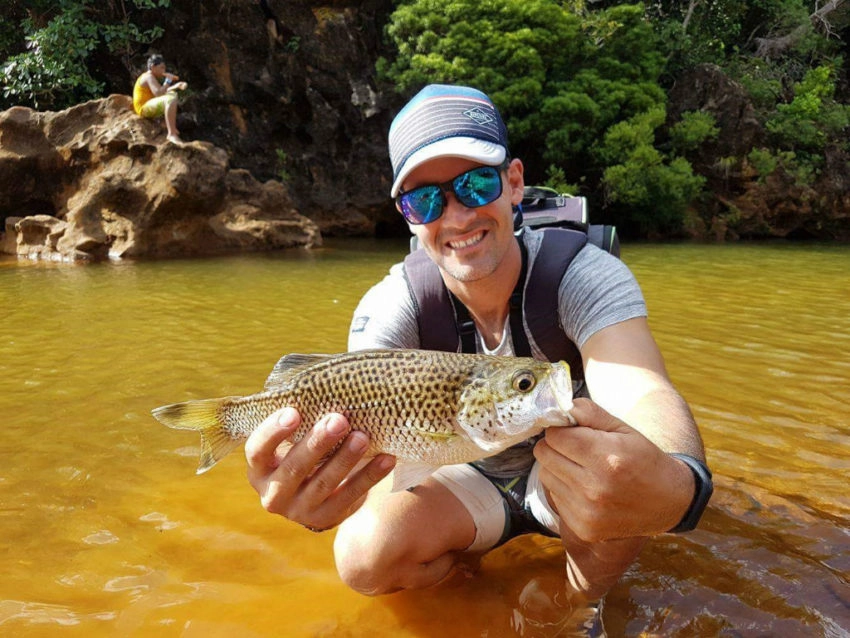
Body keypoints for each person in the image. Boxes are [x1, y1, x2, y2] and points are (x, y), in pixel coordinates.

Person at [245, 84, 712, 600]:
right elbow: (363, 432)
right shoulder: (391, 305)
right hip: (464, 478)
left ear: (513, 183)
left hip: (568, 480)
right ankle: (476, 594)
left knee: (615, 480)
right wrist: (317, 491)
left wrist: (679, 485)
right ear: (406, 215)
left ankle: (583, 607)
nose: (458, 216)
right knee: (363, 557)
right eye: (425, 200)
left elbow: (643, 390)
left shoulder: (584, 274)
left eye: (476, 184)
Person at [133, 54, 188, 144]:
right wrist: (168, 80)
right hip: (143, 108)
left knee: (172, 95)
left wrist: (176, 86)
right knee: (170, 99)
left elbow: (161, 91)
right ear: (153, 67)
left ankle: (171, 128)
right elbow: (158, 93)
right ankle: (171, 133)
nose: (164, 71)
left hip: (148, 105)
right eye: (161, 68)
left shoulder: (151, 77)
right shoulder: (148, 76)